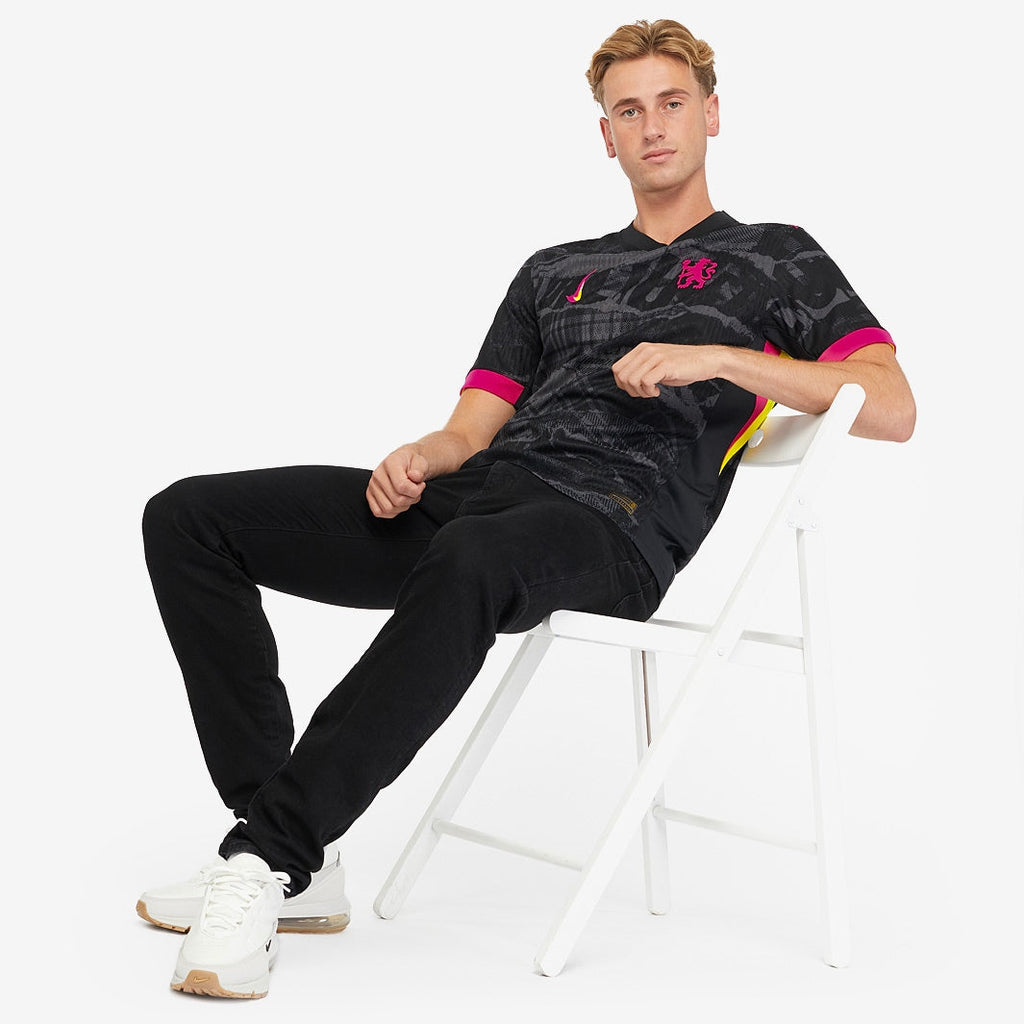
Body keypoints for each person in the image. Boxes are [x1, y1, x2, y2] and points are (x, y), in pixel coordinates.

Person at [138, 17, 916, 999]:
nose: (652, 127)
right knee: (187, 519)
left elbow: (891, 406)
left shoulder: (776, 258)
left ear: (711, 114)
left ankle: (265, 856)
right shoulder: (553, 269)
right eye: (628, 110)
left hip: (613, 526)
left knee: (473, 558)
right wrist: (423, 456)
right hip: (482, 499)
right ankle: (286, 855)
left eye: (671, 103)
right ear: (605, 134)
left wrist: (722, 358)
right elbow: (472, 427)